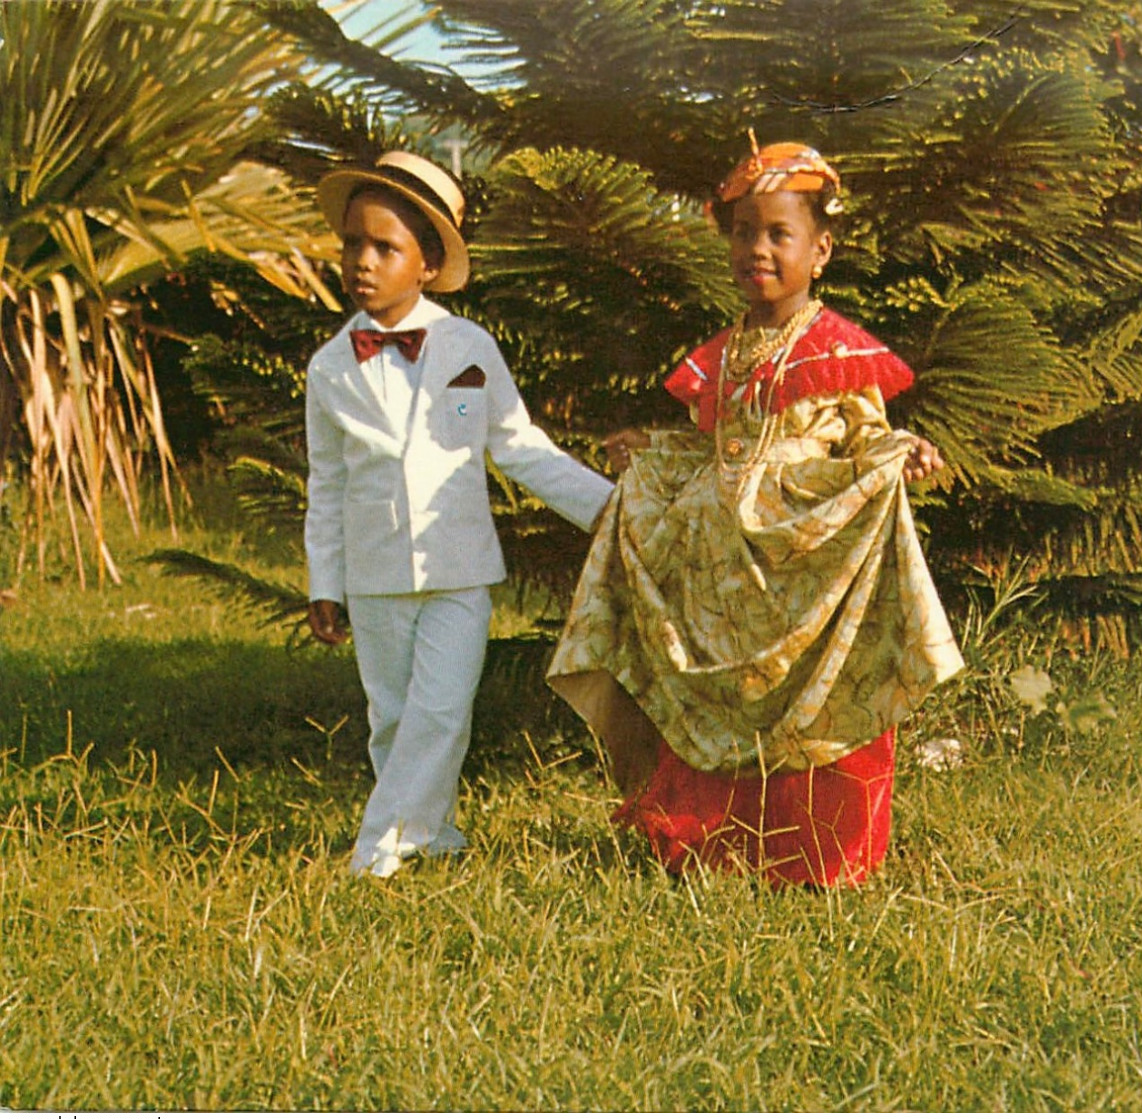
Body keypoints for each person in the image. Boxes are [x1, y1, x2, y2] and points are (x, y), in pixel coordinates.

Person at [547, 139, 964, 887]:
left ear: (820, 249)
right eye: (744, 233)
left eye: (779, 234)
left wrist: (901, 450)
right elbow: (715, 443)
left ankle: (812, 849)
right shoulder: (723, 353)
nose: (758, 249)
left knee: (809, 695)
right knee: (714, 689)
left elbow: (865, 432)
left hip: (801, 556)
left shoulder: (835, 350)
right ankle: (711, 836)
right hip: (721, 568)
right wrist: (650, 449)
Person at [304, 151, 614, 878]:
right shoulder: (328, 366)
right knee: (392, 718)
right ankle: (432, 832)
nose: (363, 261)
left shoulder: (467, 350)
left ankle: (374, 854)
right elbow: (327, 482)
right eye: (354, 243)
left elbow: (514, 445)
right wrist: (326, 579)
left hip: (457, 568)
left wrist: (605, 506)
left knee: (441, 710)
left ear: (428, 265)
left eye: (386, 247)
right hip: (375, 572)